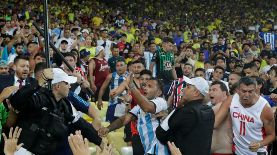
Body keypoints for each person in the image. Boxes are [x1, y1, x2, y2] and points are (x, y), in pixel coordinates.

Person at [9, 68, 104, 154]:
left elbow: (83, 126)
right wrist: (39, 82)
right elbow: (16, 101)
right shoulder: (38, 97)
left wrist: (101, 143)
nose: (70, 86)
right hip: (22, 150)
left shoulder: (66, 105)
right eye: (66, 83)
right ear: (57, 86)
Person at [99, 77, 169, 155]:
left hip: (160, 149)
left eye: (150, 86)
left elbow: (147, 107)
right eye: (145, 86)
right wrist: (108, 128)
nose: (145, 88)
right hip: (148, 149)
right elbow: (124, 119)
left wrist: (132, 86)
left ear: (158, 92)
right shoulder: (139, 106)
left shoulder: (160, 101)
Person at [214, 77, 275, 155]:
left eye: (250, 91)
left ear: (256, 90)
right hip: (238, 151)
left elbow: (272, 135)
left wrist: (260, 144)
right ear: (237, 90)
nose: (247, 95)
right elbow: (215, 123)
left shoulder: (264, 108)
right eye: (244, 91)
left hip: (257, 152)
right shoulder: (231, 100)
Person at [156, 76, 214, 155]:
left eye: (188, 87)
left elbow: (160, 133)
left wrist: (177, 108)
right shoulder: (209, 110)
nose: (183, 89)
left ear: (196, 93)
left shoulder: (187, 111)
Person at [209, 81, 233, 155]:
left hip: (223, 152)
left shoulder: (221, 106)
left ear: (224, 93)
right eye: (209, 90)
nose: (210, 92)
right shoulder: (217, 107)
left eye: (214, 90)